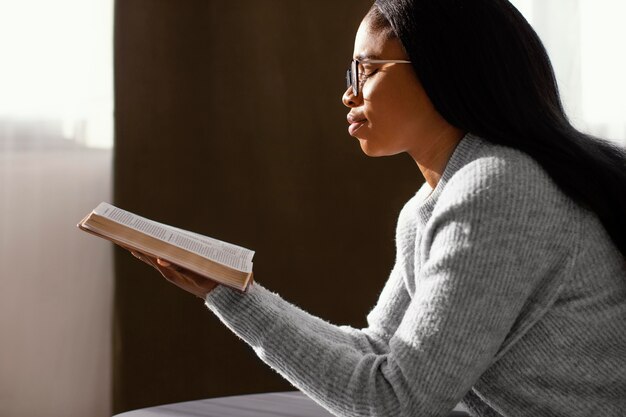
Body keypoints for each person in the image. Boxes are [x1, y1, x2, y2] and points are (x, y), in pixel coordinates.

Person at [130, 1, 626, 416]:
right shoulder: (431, 205)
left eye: (365, 70)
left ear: (443, 70)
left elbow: (396, 402)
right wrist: (231, 289)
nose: (348, 93)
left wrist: (238, 301)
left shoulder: (497, 187)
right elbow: (379, 352)